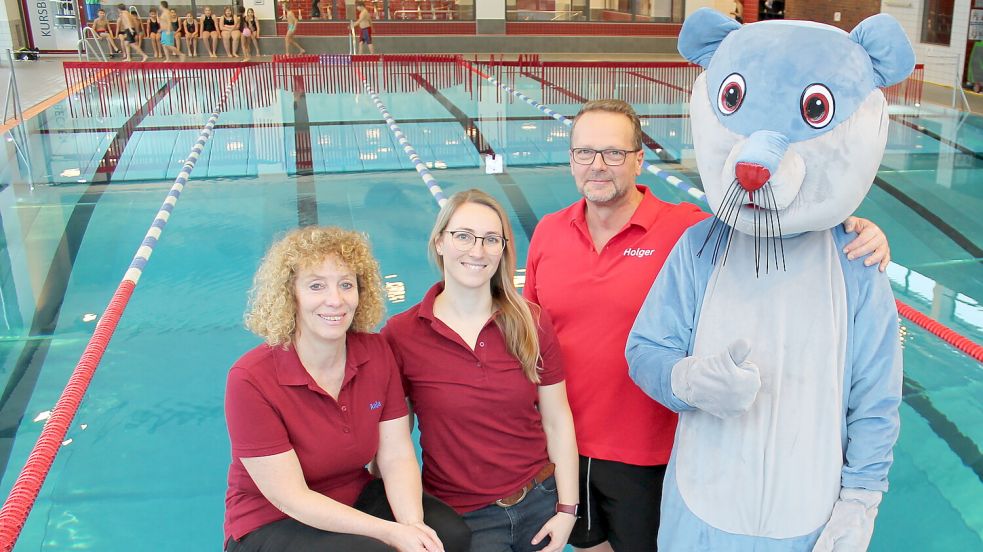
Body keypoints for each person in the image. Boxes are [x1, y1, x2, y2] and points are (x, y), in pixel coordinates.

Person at [522, 99, 892, 552]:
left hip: (652, 454)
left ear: (639, 159)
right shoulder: (548, 232)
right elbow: (530, 342)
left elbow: (771, 229)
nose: (598, 165)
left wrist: (851, 227)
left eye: (613, 153)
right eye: (585, 152)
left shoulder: (691, 231)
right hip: (567, 446)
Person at [224, 226, 471, 552]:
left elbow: (396, 455)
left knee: (449, 535)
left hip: (354, 495)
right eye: (316, 286)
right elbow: (292, 498)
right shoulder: (251, 379)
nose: (335, 300)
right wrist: (392, 533)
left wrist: (413, 526)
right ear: (290, 295)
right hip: (271, 520)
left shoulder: (375, 352)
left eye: (345, 284)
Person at [383, 190, 579, 552]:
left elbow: (557, 418)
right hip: (464, 520)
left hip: (540, 500)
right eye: (464, 236)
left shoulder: (530, 321)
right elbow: (393, 442)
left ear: (504, 249)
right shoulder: (402, 334)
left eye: (491, 239)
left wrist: (568, 508)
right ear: (440, 242)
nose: (477, 251)